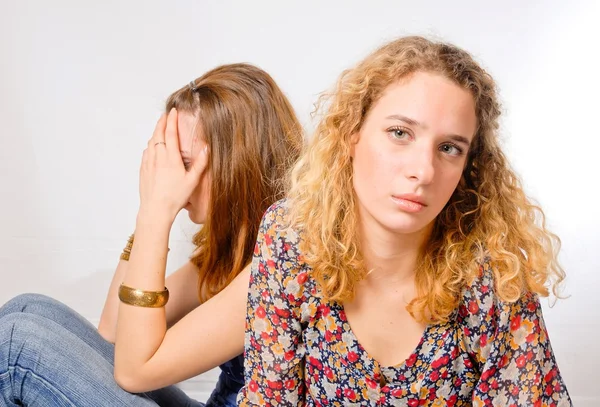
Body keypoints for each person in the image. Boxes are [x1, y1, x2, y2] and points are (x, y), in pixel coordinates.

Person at [238, 36, 572, 406]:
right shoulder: (290, 238)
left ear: (467, 166)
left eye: (449, 148)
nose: (423, 171)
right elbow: (268, 398)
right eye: (400, 133)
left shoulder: (495, 271)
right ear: (353, 132)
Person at [0, 63, 303, 406]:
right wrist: (149, 209)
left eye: (184, 163)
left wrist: (156, 214)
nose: (171, 176)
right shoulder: (231, 252)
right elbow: (113, 335)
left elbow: (134, 371)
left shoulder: (280, 263)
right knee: (27, 308)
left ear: (238, 165)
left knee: (16, 346)